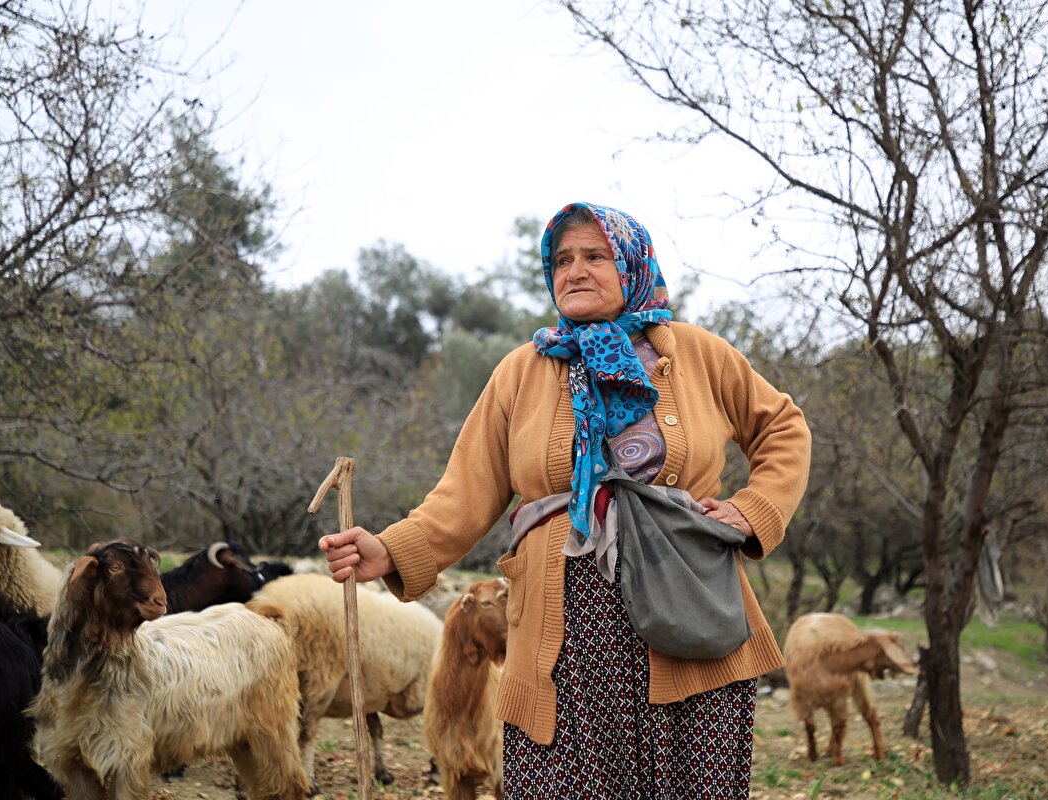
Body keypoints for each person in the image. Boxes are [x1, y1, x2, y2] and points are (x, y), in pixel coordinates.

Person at [320, 201, 811, 797]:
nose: (574, 271)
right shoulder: (521, 371)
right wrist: (391, 550)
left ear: (630, 265)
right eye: (562, 260)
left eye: (594, 256)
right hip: (563, 635)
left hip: (687, 608)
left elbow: (783, 427)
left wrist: (752, 510)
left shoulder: (697, 354)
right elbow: (465, 492)